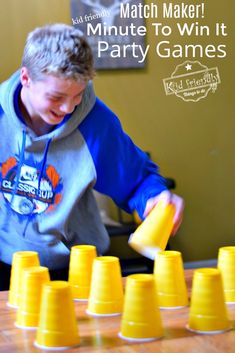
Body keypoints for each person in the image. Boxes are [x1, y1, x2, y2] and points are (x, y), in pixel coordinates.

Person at [0, 23, 184, 290]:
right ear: (26, 78)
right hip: (6, 265)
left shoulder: (95, 123)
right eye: (56, 97)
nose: (67, 108)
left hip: (77, 267)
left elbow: (137, 181)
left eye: (77, 95)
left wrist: (154, 196)